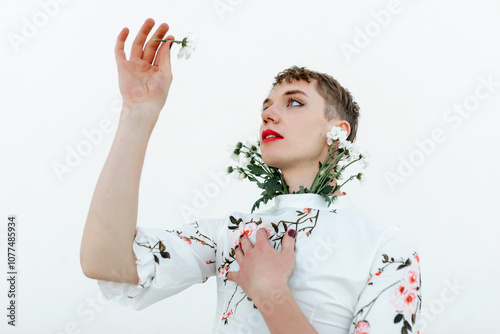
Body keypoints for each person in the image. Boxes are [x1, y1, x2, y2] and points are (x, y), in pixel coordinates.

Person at [80, 18, 422, 334]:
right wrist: (138, 112)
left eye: (294, 103)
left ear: (338, 131)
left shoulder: (386, 244)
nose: (269, 114)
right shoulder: (231, 234)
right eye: (266, 107)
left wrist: (271, 292)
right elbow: (106, 262)